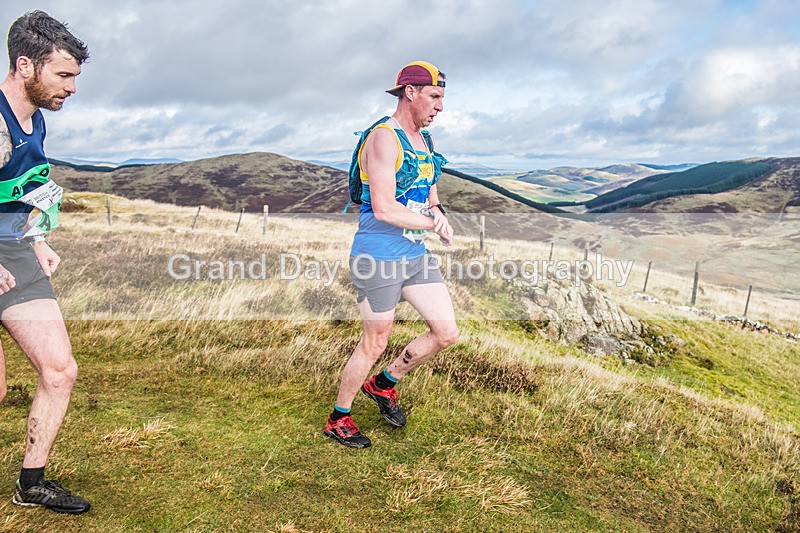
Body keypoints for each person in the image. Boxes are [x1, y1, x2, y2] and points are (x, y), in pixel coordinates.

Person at [324, 61, 460, 448]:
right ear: (410, 92)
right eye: (434, 97)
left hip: (414, 255)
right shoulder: (384, 137)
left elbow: (431, 195)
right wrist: (431, 224)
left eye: (442, 99)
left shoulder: (424, 141)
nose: (439, 107)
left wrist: (439, 215)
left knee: (446, 332)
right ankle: (339, 418)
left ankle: (383, 384)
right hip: (378, 255)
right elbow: (383, 208)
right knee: (374, 343)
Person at [0, 10, 91, 513]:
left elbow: (26, 190)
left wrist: (35, 238)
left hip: (15, 250)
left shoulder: (34, 120)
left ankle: (30, 484)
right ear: (25, 65)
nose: (72, 87)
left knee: (59, 370)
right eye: (64, 75)